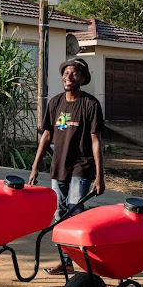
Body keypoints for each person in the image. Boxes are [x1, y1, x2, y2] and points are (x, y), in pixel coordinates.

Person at [28, 57, 105, 275]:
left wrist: (100, 176)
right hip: (58, 166)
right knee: (59, 213)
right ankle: (66, 261)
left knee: (74, 209)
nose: (68, 77)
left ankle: (87, 259)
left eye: (74, 74)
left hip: (82, 166)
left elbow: (96, 140)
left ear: (82, 78)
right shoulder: (55, 103)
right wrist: (35, 167)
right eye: (65, 73)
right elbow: (46, 136)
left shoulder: (91, 104)